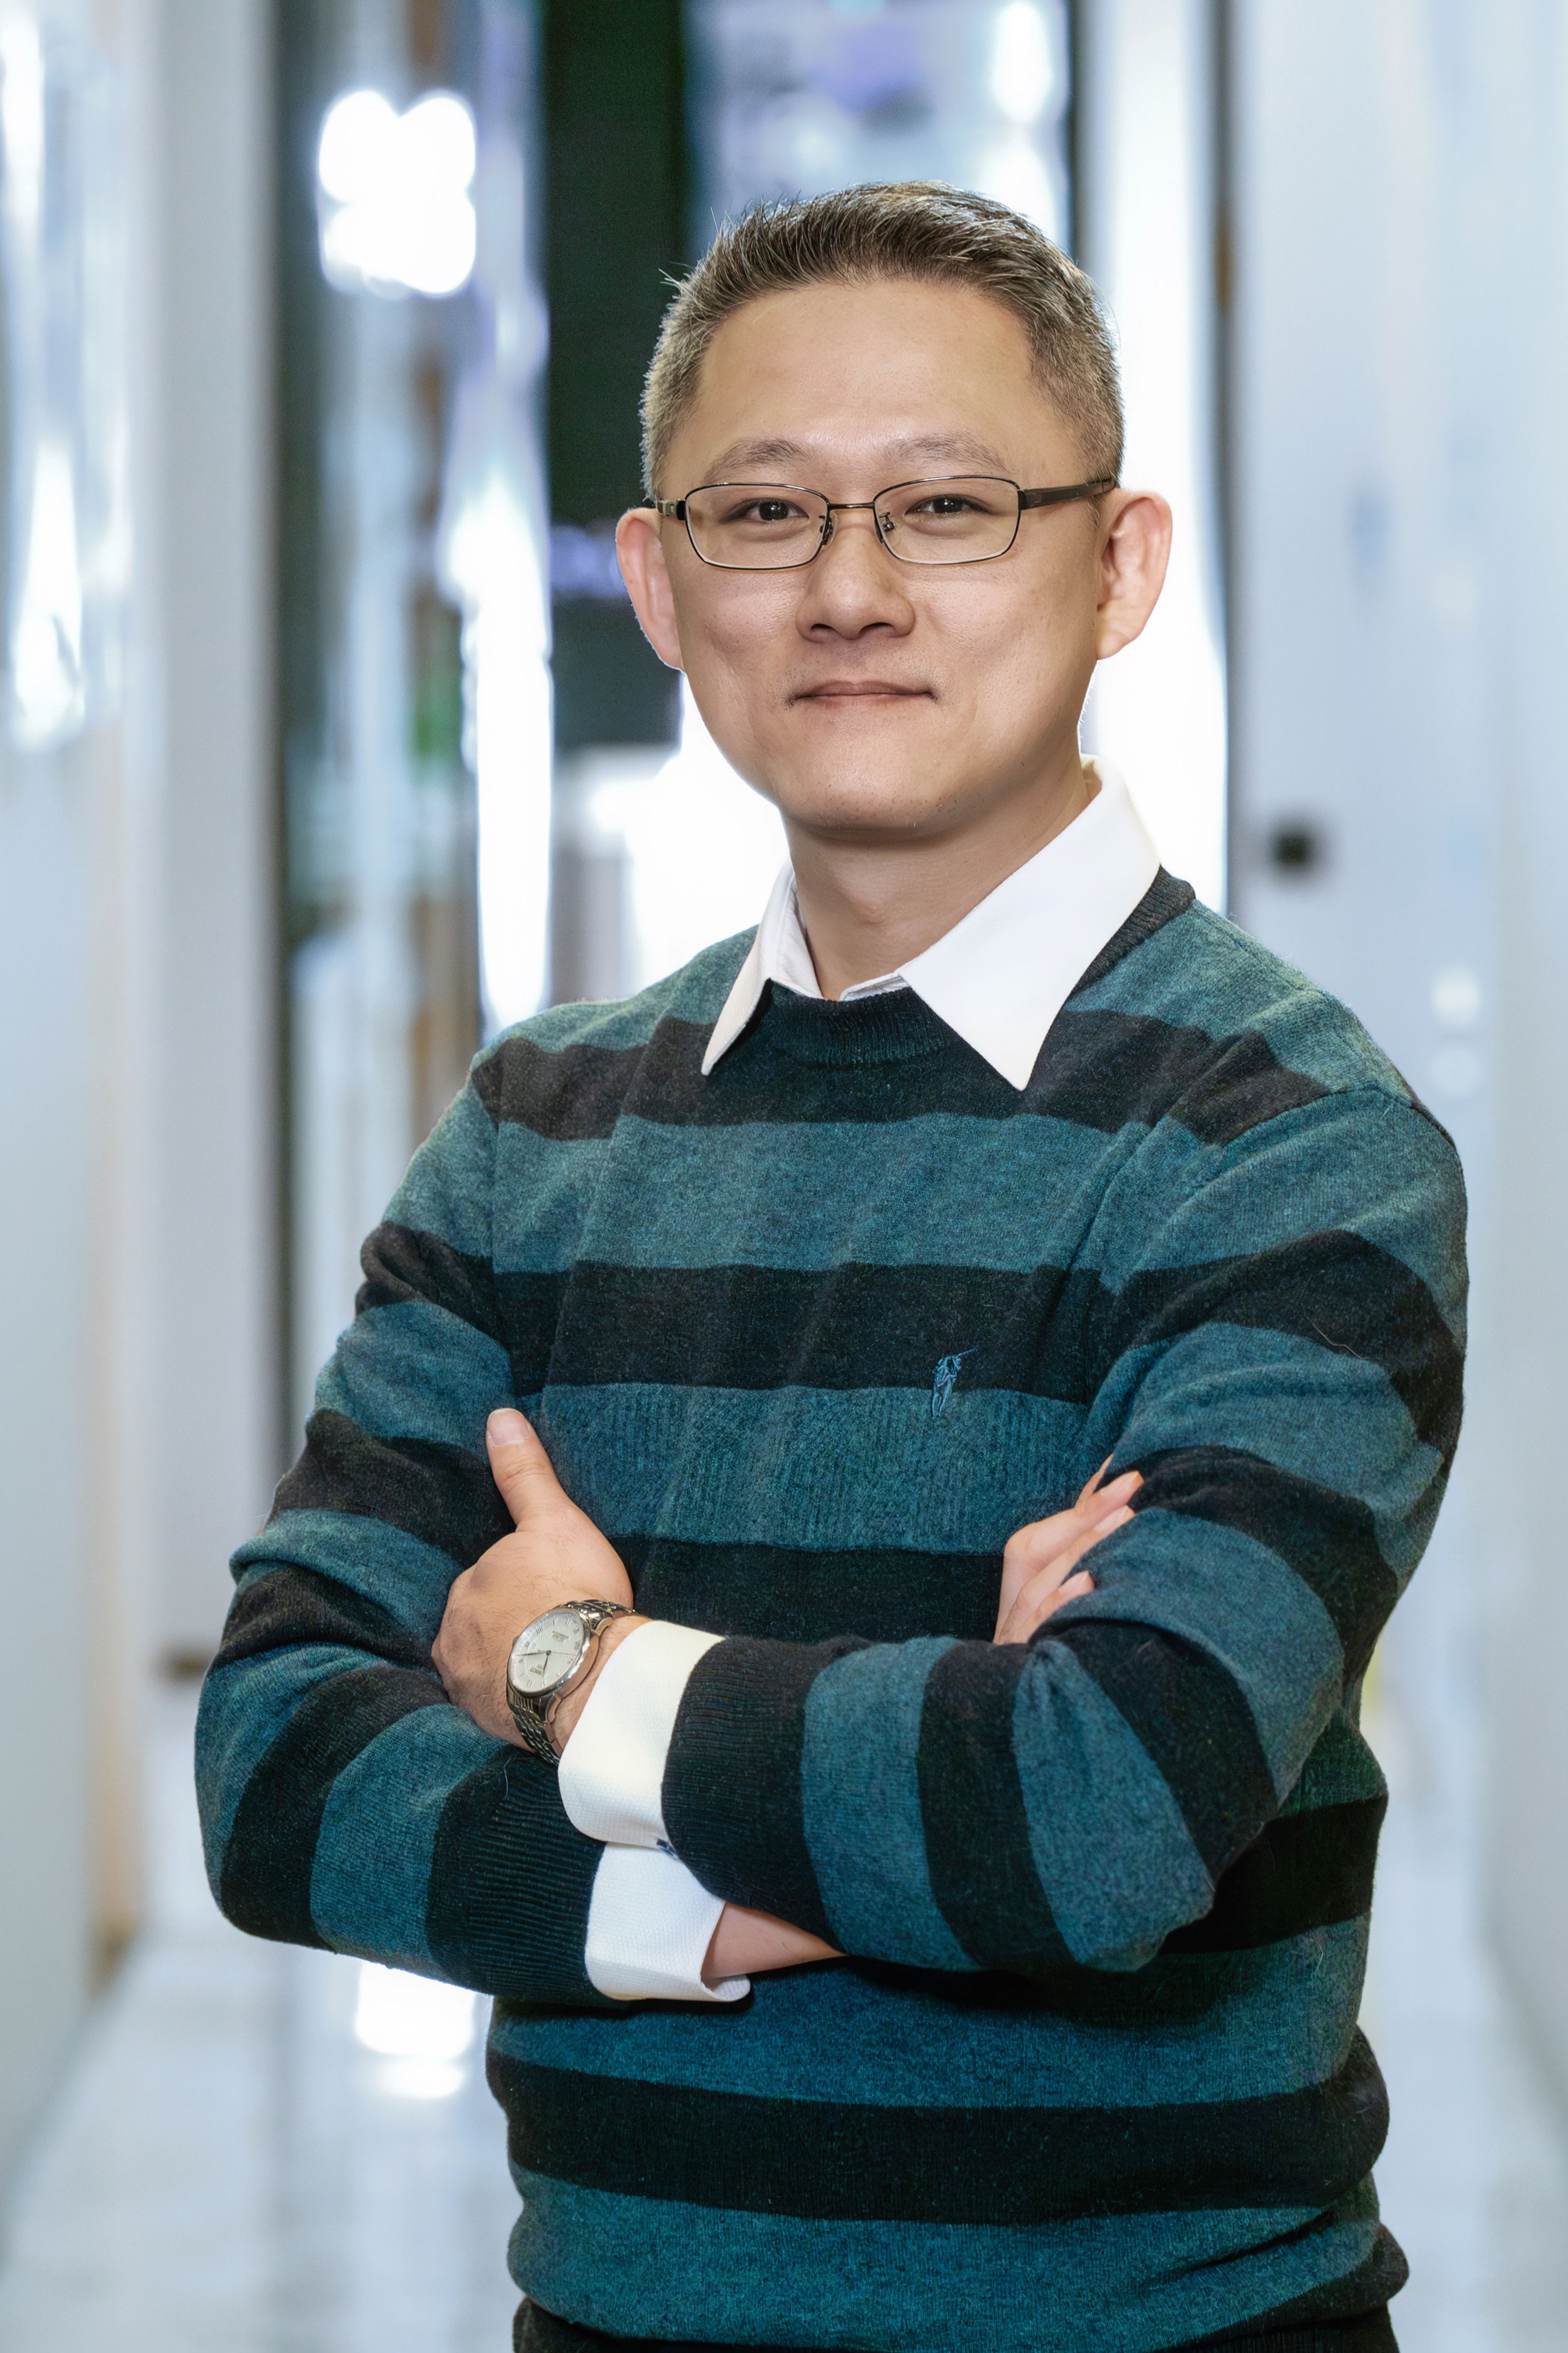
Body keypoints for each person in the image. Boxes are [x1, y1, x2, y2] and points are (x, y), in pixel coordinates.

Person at [198, 182, 1465, 2353]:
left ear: (1121, 560)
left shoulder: (1287, 1144)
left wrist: (565, 1675)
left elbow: (1097, 1816)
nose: (853, 589)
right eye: (767, 510)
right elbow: (274, 1764)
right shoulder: (544, 1129)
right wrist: (819, 1850)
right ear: (662, 581)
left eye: (949, 505)